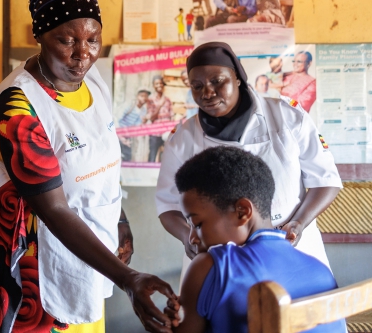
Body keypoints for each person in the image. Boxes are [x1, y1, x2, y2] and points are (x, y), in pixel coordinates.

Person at [0, 0, 177, 333]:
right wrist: (128, 278)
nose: (83, 54)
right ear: (39, 34)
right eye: (67, 40)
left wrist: (119, 220)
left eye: (93, 40)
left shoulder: (93, 83)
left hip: (90, 243)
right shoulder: (15, 107)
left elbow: (103, 164)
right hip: (30, 254)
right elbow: (53, 208)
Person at [155, 42, 342, 279]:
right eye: (197, 86)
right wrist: (187, 236)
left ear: (238, 78)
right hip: (220, 258)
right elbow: (168, 206)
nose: (207, 93)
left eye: (217, 81)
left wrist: (299, 223)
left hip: (289, 246)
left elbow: (325, 179)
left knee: (303, 312)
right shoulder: (183, 138)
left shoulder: (286, 116)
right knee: (223, 314)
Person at [164, 146, 346, 333]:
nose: (192, 238)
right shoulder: (320, 270)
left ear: (243, 211)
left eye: (198, 224)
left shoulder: (213, 266)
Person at [146, 75, 174, 162]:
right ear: (153, 85)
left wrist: (171, 131)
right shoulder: (150, 99)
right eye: (156, 83)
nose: (159, 85)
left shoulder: (168, 100)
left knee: (167, 156)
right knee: (152, 155)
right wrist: (159, 106)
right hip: (155, 133)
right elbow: (151, 118)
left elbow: (171, 117)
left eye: (161, 83)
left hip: (166, 133)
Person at [118, 88, 151, 161]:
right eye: (142, 96)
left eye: (146, 96)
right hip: (121, 134)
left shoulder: (143, 110)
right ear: (137, 96)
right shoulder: (130, 105)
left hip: (129, 136)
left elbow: (137, 125)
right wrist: (121, 135)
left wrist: (144, 121)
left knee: (127, 156)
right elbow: (118, 119)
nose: (144, 98)